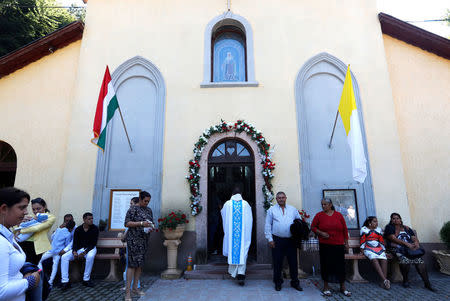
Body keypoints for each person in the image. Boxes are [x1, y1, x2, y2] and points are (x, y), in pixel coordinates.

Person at [0, 187, 41, 301]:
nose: (26, 212)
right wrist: (31, 281)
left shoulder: (7, 234)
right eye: (22, 207)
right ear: (4, 209)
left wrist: (25, 270)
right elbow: (1, 291)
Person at [311, 198, 350, 297]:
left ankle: (343, 287)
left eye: (325, 204)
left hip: (338, 244)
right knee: (326, 265)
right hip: (325, 245)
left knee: (340, 266)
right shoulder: (319, 215)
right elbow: (313, 227)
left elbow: (344, 229)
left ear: (330, 204)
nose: (323, 206)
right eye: (322, 204)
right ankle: (326, 287)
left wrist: (346, 243)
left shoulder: (338, 215)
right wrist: (321, 233)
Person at [384, 213, 434, 291]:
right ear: (391, 220)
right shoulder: (389, 228)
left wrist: (416, 243)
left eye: (397, 218)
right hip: (397, 248)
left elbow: (414, 237)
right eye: (393, 218)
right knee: (404, 261)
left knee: (420, 262)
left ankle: (427, 283)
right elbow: (393, 239)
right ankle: (405, 280)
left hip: (410, 249)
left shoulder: (406, 228)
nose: (396, 220)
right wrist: (407, 244)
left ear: (400, 219)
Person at [264, 191, 302, 291]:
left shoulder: (293, 210)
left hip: (291, 240)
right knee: (277, 262)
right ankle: (278, 282)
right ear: (276, 199)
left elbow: (299, 221)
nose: (281, 199)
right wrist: (270, 239)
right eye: (279, 198)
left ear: (286, 198)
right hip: (277, 240)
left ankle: (295, 282)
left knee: (293, 262)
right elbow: (268, 225)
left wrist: (298, 235)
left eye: (283, 197)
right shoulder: (271, 210)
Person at [124, 191, 154, 301]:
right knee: (132, 265)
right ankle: (127, 292)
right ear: (140, 199)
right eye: (145, 201)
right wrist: (141, 223)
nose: (147, 203)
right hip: (133, 240)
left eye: (148, 201)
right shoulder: (132, 209)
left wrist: (151, 227)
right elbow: (127, 223)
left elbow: (151, 222)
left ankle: (135, 288)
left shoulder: (149, 210)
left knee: (139, 265)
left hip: (144, 240)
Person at [221, 187, 252, 286]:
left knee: (233, 250)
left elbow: (223, 214)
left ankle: (234, 272)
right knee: (242, 253)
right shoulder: (246, 204)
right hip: (243, 234)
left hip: (232, 234)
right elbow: (250, 219)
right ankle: (241, 275)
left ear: (232, 194)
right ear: (241, 194)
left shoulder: (227, 204)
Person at [60, 212, 99, 290]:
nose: (91, 220)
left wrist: (84, 252)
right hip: (79, 249)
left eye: (92, 219)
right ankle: (65, 282)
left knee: (90, 256)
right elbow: (75, 242)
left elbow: (93, 244)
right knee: (64, 257)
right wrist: (74, 251)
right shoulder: (78, 229)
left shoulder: (95, 229)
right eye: (89, 219)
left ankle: (86, 279)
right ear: (84, 220)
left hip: (90, 249)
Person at [17, 198, 56, 265]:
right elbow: (16, 227)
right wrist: (19, 223)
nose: (36, 211)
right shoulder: (31, 217)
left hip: (36, 246)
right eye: (33, 209)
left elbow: (37, 228)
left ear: (44, 207)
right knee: (20, 266)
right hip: (22, 243)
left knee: (31, 267)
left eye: (38, 208)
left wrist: (21, 230)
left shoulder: (50, 217)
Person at [38, 220, 75, 286]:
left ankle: (41, 277)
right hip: (58, 252)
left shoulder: (58, 229)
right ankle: (50, 282)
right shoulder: (68, 234)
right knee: (54, 267)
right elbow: (67, 244)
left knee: (39, 261)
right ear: (71, 228)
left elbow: (52, 237)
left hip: (51, 250)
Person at [360, 216, 390, 289]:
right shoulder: (364, 229)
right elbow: (362, 240)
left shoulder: (379, 230)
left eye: (377, 221)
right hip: (368, 248)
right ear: (369, 223)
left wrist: (384, 250)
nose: (377, 223)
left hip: (378, 248)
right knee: (374, 258)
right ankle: (384, 280)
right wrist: (362, 250)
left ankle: (383, 281)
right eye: (374, 221)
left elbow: (381, 241)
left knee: (384, 259)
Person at [122, 197, 141, 290]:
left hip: (134, 243)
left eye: (131, 204)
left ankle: (133, 286)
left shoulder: (135, 215)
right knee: (132, 265)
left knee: (132, 265)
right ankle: (131, 285)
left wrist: (124, 236)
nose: (130, 206)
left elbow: (128, 228)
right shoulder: (132, 214)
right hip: (131, 242)